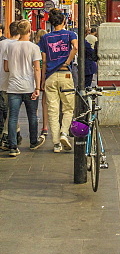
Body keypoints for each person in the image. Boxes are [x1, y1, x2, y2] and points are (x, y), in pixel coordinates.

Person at [38, 10, 78, 153]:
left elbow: (43, 60)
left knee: (53, 110)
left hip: (50, 76)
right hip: (65, 74)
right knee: (68, 108)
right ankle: (64, 133)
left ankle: (56, 144)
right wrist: (68, 60)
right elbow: (76, 47)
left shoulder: (45, 38)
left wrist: (42, 80)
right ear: (63, 21)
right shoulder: (69, 34)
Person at [3, 19, 44, 154]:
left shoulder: (10, 47)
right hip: (29, 86)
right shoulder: (34, 47)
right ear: (29, 31)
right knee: (32, 115)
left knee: (13, 117)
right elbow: (37, 69)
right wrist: (37, 87)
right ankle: (33, 141)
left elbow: (6, 68)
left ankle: (13, 146)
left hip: (13, 86)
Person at [0, 21, 20, 149]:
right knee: (11, 113)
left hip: (3, 82)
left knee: (8, 112)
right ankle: (8, 138)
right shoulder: (18, 45)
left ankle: (13, 135)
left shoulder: (2, 44)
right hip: (14, 83)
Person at [34, 28, 49, 137]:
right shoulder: (48, 49)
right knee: (45, 103)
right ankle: (45, 126)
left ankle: (34, 122)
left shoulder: (34, 48)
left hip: (34, 77)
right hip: (46, 75)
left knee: (34, 102)